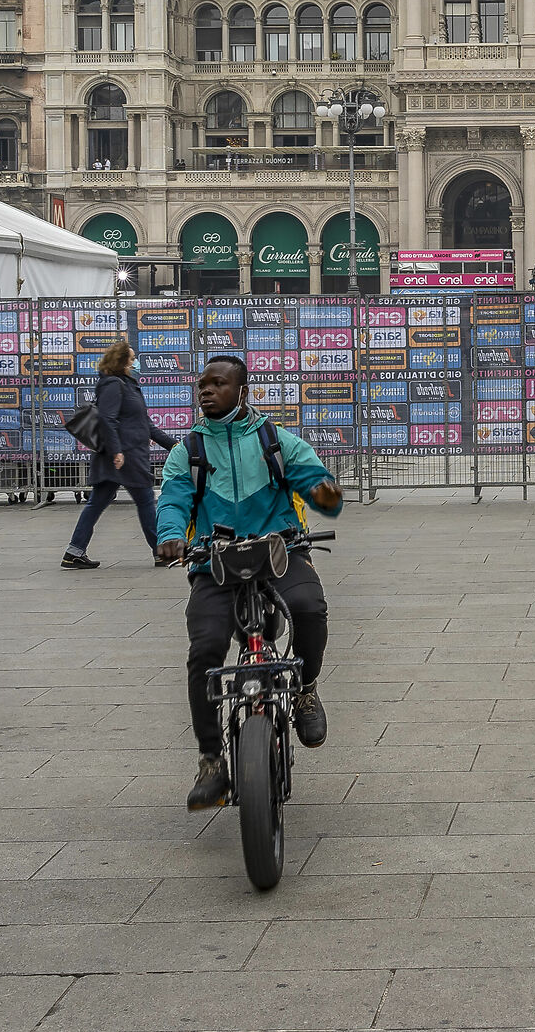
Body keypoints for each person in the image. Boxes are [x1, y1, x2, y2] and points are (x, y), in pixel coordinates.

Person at [155, 355, 343, 811]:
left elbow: (313, 478)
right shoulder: (190, 451)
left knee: (309, 608)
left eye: (218, 384)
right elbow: (174, 499)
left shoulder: (274, 441)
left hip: (279, 552)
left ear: (243, 392)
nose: (206, 391)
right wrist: (169, 537)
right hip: (215, 563)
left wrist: (323, 492)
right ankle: (211, 761)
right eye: (202, 384)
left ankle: (305, 690)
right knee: (204, 649)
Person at [63, 339, 175, 570]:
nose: (135, 363)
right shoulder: (113, 384)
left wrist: (174, 445)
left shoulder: (127, 384)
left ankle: (74, 551)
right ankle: (160, 552)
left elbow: (146, 425)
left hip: (123, 455)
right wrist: (117, 451)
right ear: (122, 361)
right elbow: (107, 419)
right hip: (125, 456)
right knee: (145, 500)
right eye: (132, 359)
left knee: (98, 503)